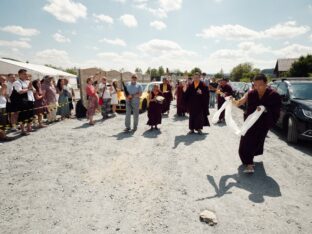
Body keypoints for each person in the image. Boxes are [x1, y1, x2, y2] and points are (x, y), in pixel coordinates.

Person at [233, 74, 281, 173]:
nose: (258, 87)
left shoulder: (274, 95)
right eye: (255, 85)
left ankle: (250, 161)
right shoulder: (250, 93)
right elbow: (239, 103)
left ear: (266, 84)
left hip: (264, 123)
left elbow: (276, 110)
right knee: (245, 141)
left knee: (257, 141)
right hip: (250, 122)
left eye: (260, 85)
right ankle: (249, 163)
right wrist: (230, 100)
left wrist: (265, 109)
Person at [11, 69, 35, 136]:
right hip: (22, 102)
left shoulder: (28, 81)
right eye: (24, 74)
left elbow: (34, 91)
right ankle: (22, 130)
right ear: (19, 75)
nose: (26, 75)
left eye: (26, 74)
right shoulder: (17, 82)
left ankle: (29, 128)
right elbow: (20, 91)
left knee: (30, 115)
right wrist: (29, 88)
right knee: (22, 116)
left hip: (30, 100)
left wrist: (31, 88)